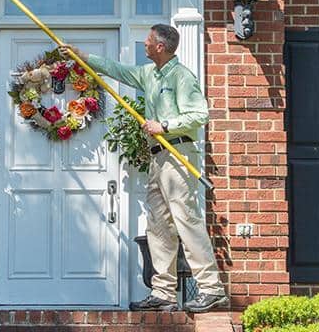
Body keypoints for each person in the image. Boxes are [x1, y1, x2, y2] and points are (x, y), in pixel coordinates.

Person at [60, 24, 228, 313]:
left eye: (148, 40)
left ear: (160, 46)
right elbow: (118, 70)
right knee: (159, 225)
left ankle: (211, 289)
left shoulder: (181, 76)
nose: (144, 44)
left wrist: (163, 125)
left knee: (186, 221)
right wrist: (82, 57)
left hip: (178, 153)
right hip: (157, 157)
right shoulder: (149, 74)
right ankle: (163, 292)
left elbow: (200, 114)